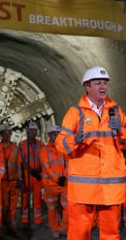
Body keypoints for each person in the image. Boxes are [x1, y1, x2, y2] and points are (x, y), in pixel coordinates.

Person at [55, 66, 126, 239]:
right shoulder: (75, 113)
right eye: (98, 83)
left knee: (111, 234)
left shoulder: (116, 112)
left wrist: (121, 132)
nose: (103, 86)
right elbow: (59, 144)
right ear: (87, 86)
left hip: (110, 187)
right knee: (78, 233)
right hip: (83, 189)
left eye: (105, 83)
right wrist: (75, 140)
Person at [40, 125, 68, 238]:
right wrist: (58, 179)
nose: (55, 136)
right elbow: (46, 167)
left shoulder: (64, 149)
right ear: (49, 135)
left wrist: (64, 177)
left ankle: (65, 229)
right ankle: (55, 229)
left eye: (57, 134)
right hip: (51, 185)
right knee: (52, 209)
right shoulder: (44, 150)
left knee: (67, 207)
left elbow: (69, 163)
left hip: (64, 184)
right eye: (53, 134)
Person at [19, 121, 44, 225]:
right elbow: (21, 161)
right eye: (31, 131)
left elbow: (44, 159)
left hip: (37, 175)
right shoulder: (22, 144)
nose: (33, 133)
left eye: (35, 131)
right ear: (27, 132)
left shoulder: (41, 144)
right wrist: (30, 171)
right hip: (27, 175)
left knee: (37, 198)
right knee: (25, 198)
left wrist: (39, 169)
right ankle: (25, 219)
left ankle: (37, 220)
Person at [0, 124, 22, 235]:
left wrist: (20, 179)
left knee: (13, 205)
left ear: (11, 134)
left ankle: (12, 227)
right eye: (5, 133)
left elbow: (18, 164)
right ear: (1, 135)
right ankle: (4, 225)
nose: (7, 135)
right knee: (4, 205)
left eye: (8, 133)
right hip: (2, 181)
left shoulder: (16, 148)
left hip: (13, 180)